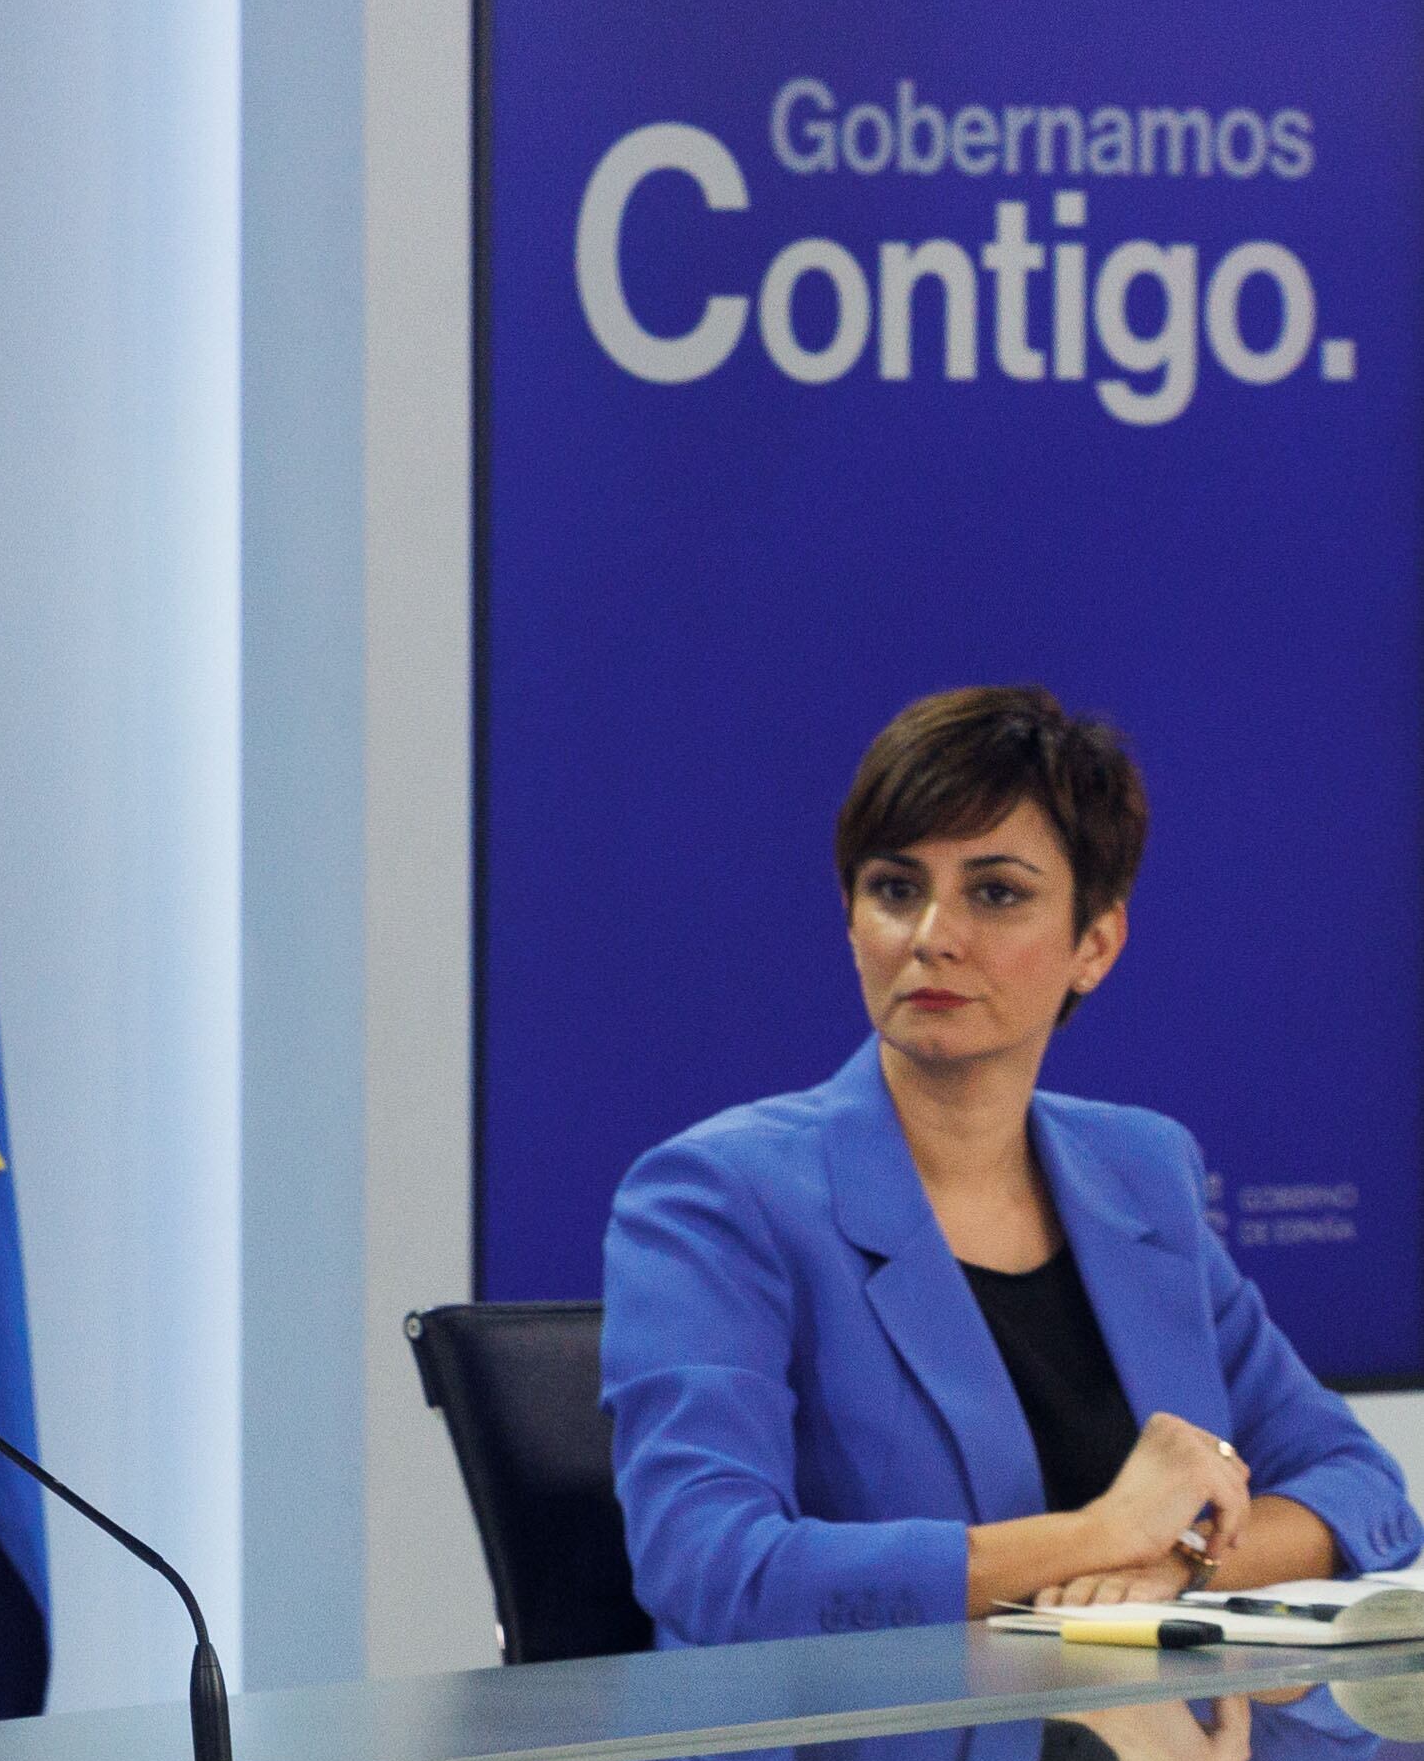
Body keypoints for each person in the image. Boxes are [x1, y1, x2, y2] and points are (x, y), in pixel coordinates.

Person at [601, 685, 1418, 1648]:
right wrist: (1094, 1536)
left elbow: (1358, 1489)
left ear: (1094, 945)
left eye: (996, 893)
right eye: (895, 888)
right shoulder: (715, 1198)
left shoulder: (1140, 1168)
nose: (931, 936)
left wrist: (1169, 1566)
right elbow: (710, 1571)